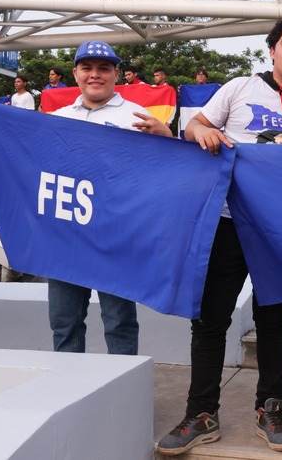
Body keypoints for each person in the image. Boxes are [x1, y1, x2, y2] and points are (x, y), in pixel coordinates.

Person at [157, 17, 282, 456]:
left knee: (272, 320)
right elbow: (193, 127)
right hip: (228, 222)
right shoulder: (239, 87)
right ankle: (201, 414)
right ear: (272, 50)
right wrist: (204, 131)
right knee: (210, 319)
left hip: (280, 230)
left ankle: (271, 407)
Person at [48, 41, 172, 356]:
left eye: (104, 68)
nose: (95, 75)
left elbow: (169, 169)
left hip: (118, 235)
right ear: (75, 73)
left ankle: (123, 385)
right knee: (64, 322)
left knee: (119, 321)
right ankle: (68, 385)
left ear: (116, 74)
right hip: (66, 235)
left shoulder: (138, 116)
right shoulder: (57, 118)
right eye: (87, 68)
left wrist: (167, 137)